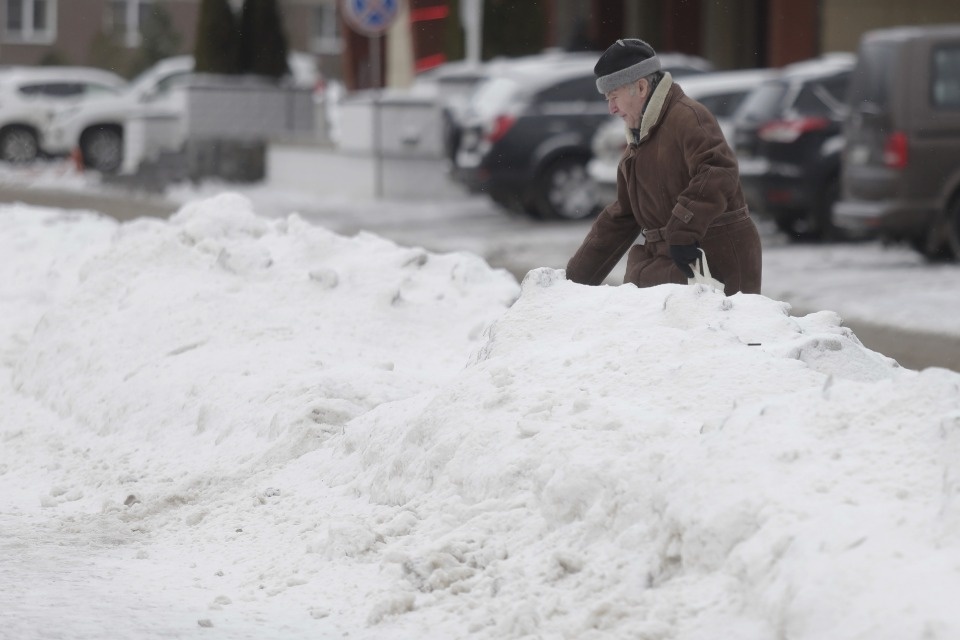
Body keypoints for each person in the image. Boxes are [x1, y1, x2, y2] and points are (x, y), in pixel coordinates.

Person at [566, 39, 762, 295]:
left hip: (712, 258)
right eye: (607, 99)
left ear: (641, 87)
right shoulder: (638, 144)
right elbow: (622, 217)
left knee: (729, 336)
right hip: (665, 260)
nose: (611, 109)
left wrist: (683, 230)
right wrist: (572, 282)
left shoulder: (688, 117)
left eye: (614, 97)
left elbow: (717, 169)